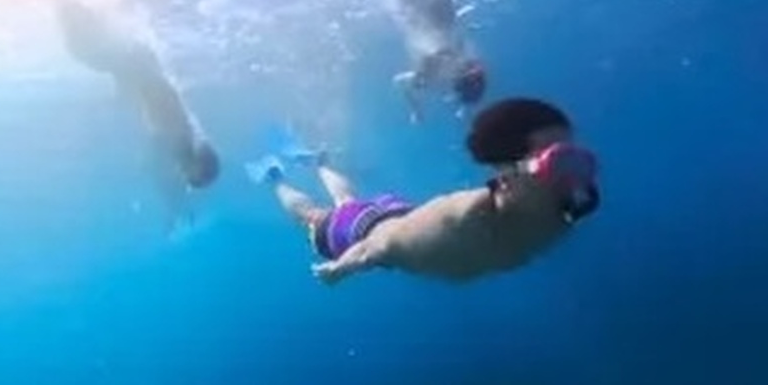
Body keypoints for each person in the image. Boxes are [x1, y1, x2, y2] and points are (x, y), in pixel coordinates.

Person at [252, 97, 599, 285]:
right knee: (315, 217)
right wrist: (340, 270)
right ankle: (275, 178)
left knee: (347, 200)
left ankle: (317, 162)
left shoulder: (566, 209)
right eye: (560, 161)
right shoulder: (460, 221)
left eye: (579, 159)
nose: (577, 177)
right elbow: (379, 245)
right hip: (362, 232)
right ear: (507, 175)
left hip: (402, 213)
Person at [54, 0, 220, 212]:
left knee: (85, 50)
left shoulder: (182, 139)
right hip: (135, 64)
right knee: (84, 50)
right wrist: (132, 82)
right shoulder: (181, 134)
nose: (183, 175)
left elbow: (157, 104)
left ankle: (72, 3)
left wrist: (129, 88)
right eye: (191, 177)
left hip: (136, 65)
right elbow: (162, 94)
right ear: (196, 166)